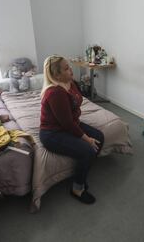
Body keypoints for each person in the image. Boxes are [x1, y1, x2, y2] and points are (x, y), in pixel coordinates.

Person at [39, 55, 104, 204]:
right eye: (66, 68)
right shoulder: (55, 92)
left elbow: (73, 113)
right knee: (87, 149)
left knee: (99, 138)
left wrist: (85, 135)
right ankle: (77, 188)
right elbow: (67, 124)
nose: (71, 70)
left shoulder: (70, 83)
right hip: (52, 132)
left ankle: (82, 171)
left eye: (69, 66)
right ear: (56, 75)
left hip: (70, 123)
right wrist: (86, 138)